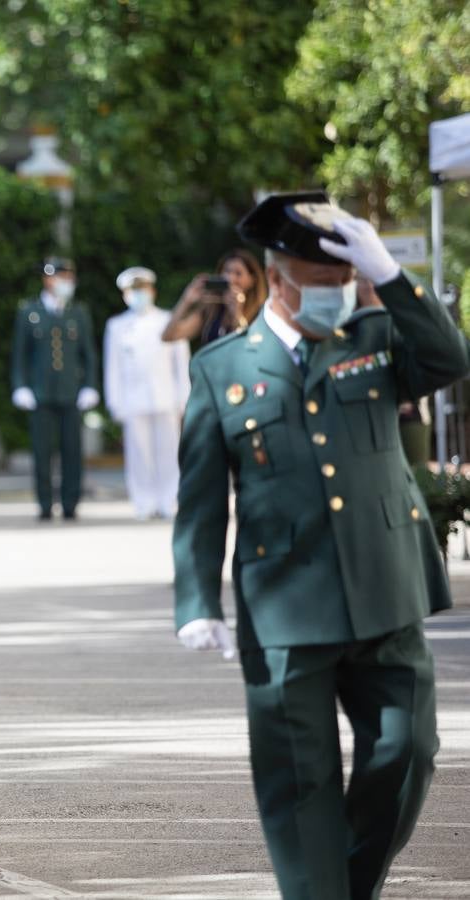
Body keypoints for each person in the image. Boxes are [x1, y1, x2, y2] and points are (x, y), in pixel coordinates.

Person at [172, 191, 469, 900]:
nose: (339, 295)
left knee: (406, 755)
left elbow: (447, 358)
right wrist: (195, 598)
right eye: (325, 285)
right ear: (279, 282)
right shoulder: (221, 368)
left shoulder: (373, 338)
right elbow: (201, 500)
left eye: (345, 282)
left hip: (386, 591)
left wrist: (390, 280)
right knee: (298, 785)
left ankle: (340, 886)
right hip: (285, 609)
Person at [10, 256, 100, 520]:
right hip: (40, 393)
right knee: (42, 451)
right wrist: (21, 386)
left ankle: (71, 502)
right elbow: (20, 355)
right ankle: (45, 503)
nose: (67, 283)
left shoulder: (78, 312)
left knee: (72, 449)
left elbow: (88, 354)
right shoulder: (29, 311)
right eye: (62, 278)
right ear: (48, 279)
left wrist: (89, 386)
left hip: (70, 391)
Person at [103, 266, 190, 519]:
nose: (138, 295)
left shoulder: (167, 320)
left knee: (169, 451)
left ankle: (169, 498)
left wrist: (184, 397)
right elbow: (113, 368)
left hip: (165, 396)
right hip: (133, 399)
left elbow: (180, 363)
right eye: (133, 291)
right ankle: (143, 501)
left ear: (152, 291)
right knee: (139, 453)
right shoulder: (117, 326)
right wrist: (115, 402)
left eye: (142, 289)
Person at [162, 247, 267, 345]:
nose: (230, 278)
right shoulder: (211, 311)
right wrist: (186, 301)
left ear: (252, 280)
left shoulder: (262, 313)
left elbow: (251, 345)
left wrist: (236, 313)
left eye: (238, 273)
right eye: (227, 271)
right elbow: (169, 336)